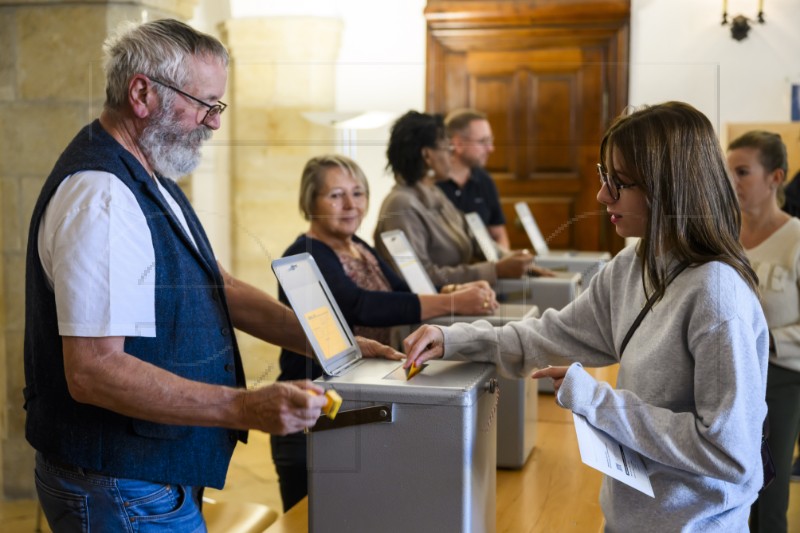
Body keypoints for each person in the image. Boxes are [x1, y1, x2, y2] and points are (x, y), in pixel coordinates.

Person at [23, 19, 399, 531]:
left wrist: (336, 342)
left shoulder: (150, 174)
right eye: (205, 103)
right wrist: (245, 407)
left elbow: (218, 286)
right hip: (121, 482)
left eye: (217, 106)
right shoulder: (103, 195)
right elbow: (93, 371)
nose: (213, 122)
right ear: (142, 93)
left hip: (147, 476)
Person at [403, 101, 769, 531]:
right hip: (629, 517)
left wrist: (596, 400)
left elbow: (729, 453)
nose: (601, 196)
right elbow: (547, 336)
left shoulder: (716, 292)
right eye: (604, 177)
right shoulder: (634, 264)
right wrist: (455, 339)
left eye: (620, 184)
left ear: (667, 186)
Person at [271, 154, 498, 511]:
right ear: (310, 202)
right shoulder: (306, 252)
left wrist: (453, 294)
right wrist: (451, 305)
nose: (351, 205)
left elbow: (400, 294)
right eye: (336, 195)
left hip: (360, 407)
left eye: (358, 193)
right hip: (314, 417)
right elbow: (361, 305)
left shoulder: (360, 248)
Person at [373, 110, 550, 287]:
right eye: (447, 148)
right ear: (427, 155)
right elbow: (419, 278)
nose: (452, 155)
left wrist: (513, 258)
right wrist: (495, 270)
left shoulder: (435, 194)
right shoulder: (401, 204)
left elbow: (472, 236)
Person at [726, 131, 800, 533]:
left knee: (768, 492)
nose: (732, 181)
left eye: (742, 172)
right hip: (728, 376)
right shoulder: (722, 236)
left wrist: (766, 339)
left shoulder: (796, 240)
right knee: (729, 485)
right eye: (727, 172)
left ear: (776, 177)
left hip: (782, 379)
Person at [437, 108, 510, 249]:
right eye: (483, 141)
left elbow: (498, 235)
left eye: (491, 141)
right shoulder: (431, 185)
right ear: (458, 144)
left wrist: (504, 264)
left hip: (485, 266)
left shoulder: (484, 180)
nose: (491, 149)